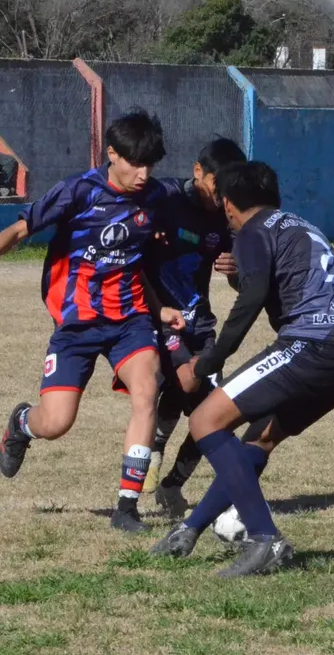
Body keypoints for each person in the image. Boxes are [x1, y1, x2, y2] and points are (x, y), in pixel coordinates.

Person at [0, 111, 187, 533]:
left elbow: (137, 262)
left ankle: (126, 507)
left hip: (130, 319)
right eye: (134, 163)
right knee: (57, 422)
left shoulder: (156, 197)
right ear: (112, 154)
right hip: (77, 325)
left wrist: (159, 309)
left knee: (147, 391)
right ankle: (21, 424)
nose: (143, 174)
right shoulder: (78, 192)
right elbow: (22, 228)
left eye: (150, 165)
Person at [149, 162, 334, 578]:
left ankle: (264, 539)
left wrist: (209, 362)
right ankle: (188, 529)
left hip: (312, 344)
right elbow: (269, 285)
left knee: (204, 421)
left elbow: (250, 302)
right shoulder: (300, 225)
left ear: (228, 204)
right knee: (257, 441)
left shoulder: (253, 230)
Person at [141, 138, 248, 517]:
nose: (222, 197)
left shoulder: (228, 215)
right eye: (218, 186)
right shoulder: (165, 198)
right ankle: (153, 447)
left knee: (216, 413)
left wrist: (236, 270)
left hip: (200, 320)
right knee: (186, 382)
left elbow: (242, 282)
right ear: (197, 171)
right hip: (164, 315)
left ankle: (173, 485)